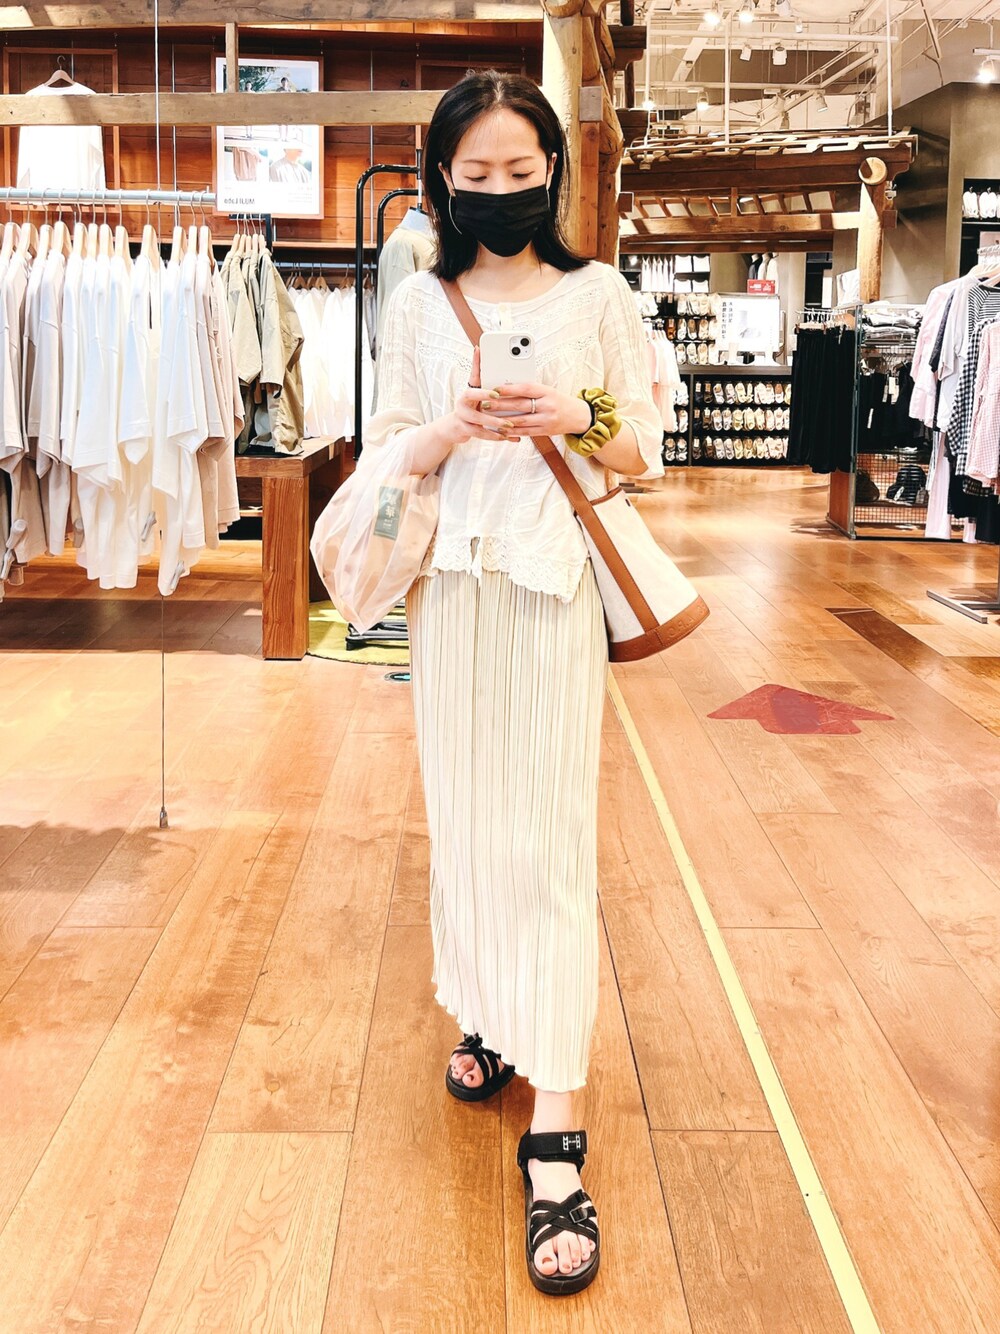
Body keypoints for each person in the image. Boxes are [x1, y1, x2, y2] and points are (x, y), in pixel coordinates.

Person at [364, 69, 664, 1296]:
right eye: (476, 173)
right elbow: (384, 448)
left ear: (554, 172)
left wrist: (570, 410)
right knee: (466, 829)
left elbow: (645, 447)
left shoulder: (599, 294)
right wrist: (446, 430)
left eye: (520, 171)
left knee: (547, 845)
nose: (499, 190)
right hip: (449, 598)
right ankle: (485, 1011)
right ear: (443, 177)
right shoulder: (417, 301)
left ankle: (557, 1128)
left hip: (549, 594)